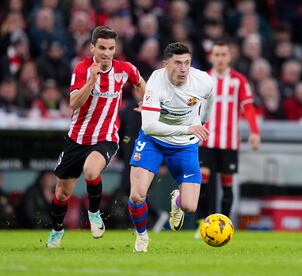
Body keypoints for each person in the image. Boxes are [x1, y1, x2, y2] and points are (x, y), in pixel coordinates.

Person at [46, 26, 145, 248]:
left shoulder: (124, 69)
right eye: (102, 48)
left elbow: (139, 82)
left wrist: (145, 103)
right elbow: (74, 103)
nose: (106, 53)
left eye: (111, 48)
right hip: (77, 138)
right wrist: (92, 81)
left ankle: (94, 214)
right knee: (62, 194)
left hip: (106, 136)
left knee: (91, 170)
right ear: (92, 48)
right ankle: (56, 231)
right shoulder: (81, 69)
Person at [127, 42, 213, 253]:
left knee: (190, 207)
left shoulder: (203, 81)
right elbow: (149, 126)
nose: (183, 68)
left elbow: (210, 100)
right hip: (153, 141)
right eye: (177, 63)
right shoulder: (156, 83)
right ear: (166, 64)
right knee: (137, 195)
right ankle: (141, 236)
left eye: (187, 63)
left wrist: (202, 122)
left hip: (185, 146)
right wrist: (188, 128)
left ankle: (177, 199)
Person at [198, 41, 261, 221]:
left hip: (229, 141)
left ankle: (223, 223)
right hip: (205, 140)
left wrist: (254, 132)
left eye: (223, 54)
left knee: (227, 185)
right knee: (203, 183)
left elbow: (248, 108)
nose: (220, 58)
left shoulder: (238, 80)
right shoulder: (203, 79)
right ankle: (205, 221)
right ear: (211, 57)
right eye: (216, 54)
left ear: (229, 57)